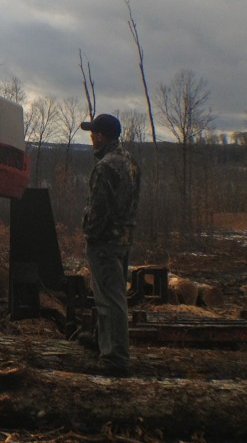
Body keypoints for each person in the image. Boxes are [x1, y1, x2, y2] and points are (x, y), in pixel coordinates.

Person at [78, 113, 140, 377]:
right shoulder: (130, 162)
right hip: (123, 239)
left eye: (93, 133)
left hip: (104, 241)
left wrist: (90, 232)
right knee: (108, 294)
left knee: (111, 299)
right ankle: (103, 341)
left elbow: (99, 209)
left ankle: (115, 359)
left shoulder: (105, 167)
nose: (91, 137)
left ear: (101, 137)